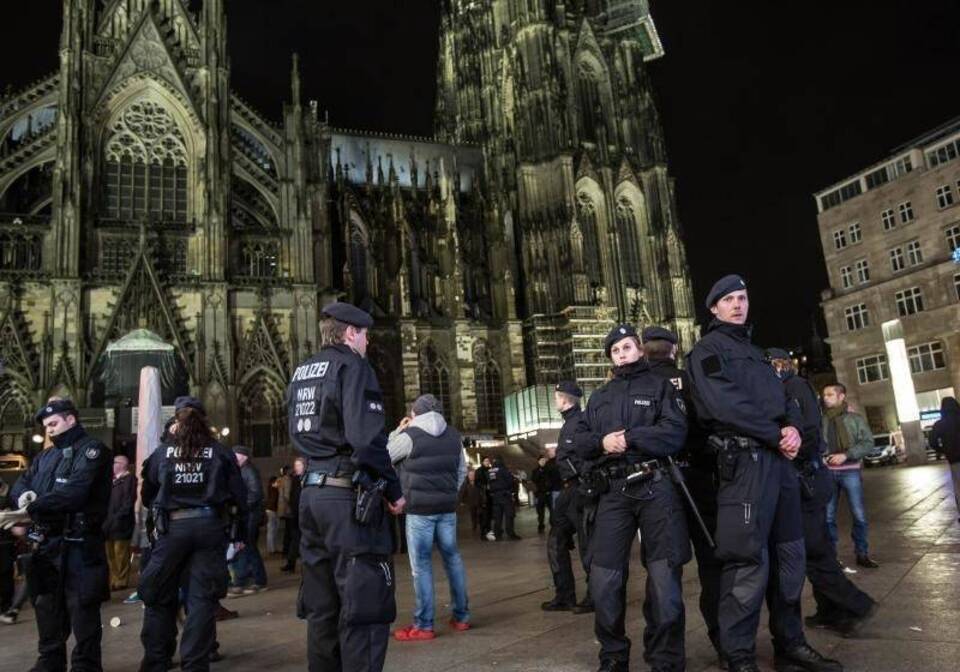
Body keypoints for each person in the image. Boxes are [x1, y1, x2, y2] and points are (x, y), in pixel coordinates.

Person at [686, 274, 841, 672]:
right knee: (746, 566)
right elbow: (724, 405)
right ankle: (738, 656)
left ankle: (790, 644)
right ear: (714, 308)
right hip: (745, 468)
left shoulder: (756, 353)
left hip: (779, 466)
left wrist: (790, 427)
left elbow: (782, 398)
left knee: (790, 558)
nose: (738, 304)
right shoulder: (707, 350)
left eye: (743, 297)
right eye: (729, 299)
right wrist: (774, 432)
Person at [287, 301, 405, 672]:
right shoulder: (353, 366)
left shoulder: (303, 370)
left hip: (311, 495)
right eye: (366, 334)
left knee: (322, 607)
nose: (368, 342)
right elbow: (366, 440)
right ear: (351, 332)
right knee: (364, 603)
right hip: (345, 497)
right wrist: (392, 490)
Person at [573, 323, 690, 672]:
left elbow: (674, 432)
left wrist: (629, 437)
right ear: (611, 357)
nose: (622, 354)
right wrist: (601, 443)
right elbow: (577, 440)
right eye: (615, 350)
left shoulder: (660, 387)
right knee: (605, 579)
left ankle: (665, 658)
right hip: (613, 490)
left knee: (664, 580)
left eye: (626, 347)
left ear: (639, 349)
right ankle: (613, 656)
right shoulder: (600, 396)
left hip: (656, 486)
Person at [767, 349, 876, 636]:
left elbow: (810, 434)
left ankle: (858, 604)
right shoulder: (789, 388)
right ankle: (830, 610)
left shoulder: (794, 387)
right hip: (809, 479)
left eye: (773, 365)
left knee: (814, 551)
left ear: (782, 366)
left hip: (809, 481)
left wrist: (790, 449)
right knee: (818, 549)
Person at [138, 396, 246, 672]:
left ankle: (156, 660)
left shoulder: (163, 453)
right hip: (210, 528)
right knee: (201, 600)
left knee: (158, 594)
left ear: (176, 421)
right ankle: (196, 664)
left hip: (172, 529)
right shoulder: (220, 452)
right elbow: (239, 495)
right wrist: (239, 533)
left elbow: (148, 494)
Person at [2, 399, 111, 672]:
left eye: (54, 423)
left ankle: (86, 665)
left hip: (80, 542)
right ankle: (50, 660)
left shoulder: (92, 451)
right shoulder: (45, 457)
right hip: (48, 543)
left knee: (83, 609)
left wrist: (32, 508)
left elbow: (75, 492)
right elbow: (22, 484)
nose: (49, 430)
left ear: (71, 420)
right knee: (46, 607)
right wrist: (22, 497)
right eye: (46, 426)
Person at [642, 325, 724, 661]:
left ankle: (663, 651)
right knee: (712, 564)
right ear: (674, 350)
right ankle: (725, 645)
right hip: (700, 478)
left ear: (644, 352)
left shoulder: (639, 387)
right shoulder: (692, 381)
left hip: (657, 485)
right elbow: (714, 421)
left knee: (662, 569)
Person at [387, 394, 470, 641]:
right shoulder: (454, 436)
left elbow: (383, 457)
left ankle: (424, 625)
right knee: (453, 560)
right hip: (446, 508)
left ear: (415, 414)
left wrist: (397, 431)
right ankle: (462, 617)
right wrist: (447, 493)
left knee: (421, 566)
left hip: (419, 511)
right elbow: (462, 470)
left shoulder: (410, 436)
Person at [542, 381, 593, 614]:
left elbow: (588, 454)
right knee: (555, 541)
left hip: (580, 490)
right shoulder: (569, 423)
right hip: (567, 491)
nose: (555, 401)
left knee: (587, 545)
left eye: (556, 397)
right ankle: (564, 595)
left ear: (564, 399)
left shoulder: (580, 422)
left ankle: (594, 596)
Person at [821, 383, 879, 569]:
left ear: (841, 397)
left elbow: (868, 443)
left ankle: (862, 554)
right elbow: (816, 443)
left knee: (859, 515)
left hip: (850, 471)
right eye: (824, 395)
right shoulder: (821, 420)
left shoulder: (855, 419)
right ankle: (832, 557)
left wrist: (846, 455)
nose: (826, 398)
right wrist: (820, 457)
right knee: (828, 517)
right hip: (828, 473)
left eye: (830, 394)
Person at [228, 445, 267, 595]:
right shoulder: (243, 470)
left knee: (247, 547)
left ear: (243, 456)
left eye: (235, 455)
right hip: (247, 515)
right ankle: (254, 580)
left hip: (250, 515)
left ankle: (250, 581)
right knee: (248, 547)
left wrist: (241, 506)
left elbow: (255, 493)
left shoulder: (249, 471)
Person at [104, 454, 138, 592]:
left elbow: (128, 501)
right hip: (108, 522)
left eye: (115, 462)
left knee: (121, 552)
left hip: (121, 522)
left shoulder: (129, 479)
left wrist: (119, 516)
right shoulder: (112, 481)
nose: (112, 465)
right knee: (109, 553)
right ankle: (113, 578)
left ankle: (121, 579)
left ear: (122, 464)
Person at [930, 397, 960, 521]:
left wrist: (943, 450)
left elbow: (932, 441)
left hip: (954, 459)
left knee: (958, 487)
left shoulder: (941, 424)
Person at [280, 457, 305, 573]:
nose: (297, 468)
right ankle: (291, 564)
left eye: (299, 465)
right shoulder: (294, 480)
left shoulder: (305, 479)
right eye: (296, 465)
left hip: (304, 514)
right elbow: (291, 497)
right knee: (294, 540)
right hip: (295, 515)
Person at [487, 457, 519, 541]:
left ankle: (497, 534)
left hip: (495, 497)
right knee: (509, 515)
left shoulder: (490, 471)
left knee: (497, 517)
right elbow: (510, 481)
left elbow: (490, 483)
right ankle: (510, 534)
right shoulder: (504, 470)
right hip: (505, 496)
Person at [531, 452, 561, 532]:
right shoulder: (536, 470)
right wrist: (540, 469)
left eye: (544, 460)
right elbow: (535, 479)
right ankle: (541, 525)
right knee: (540, 512)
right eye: (541, 460)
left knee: (552, 510)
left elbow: (554, 478)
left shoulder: (550, 469)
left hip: (549, 493)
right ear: (538, 461)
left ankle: (553, 525)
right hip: (540, 493)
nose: (543, 461)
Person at [459, 468, 484, 535]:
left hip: (479, 502)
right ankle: (474, 527)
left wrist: (483, 500)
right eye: (470, 475)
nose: (472, 476)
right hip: (471, 503)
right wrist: (462, 501)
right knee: (473, 515)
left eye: (473, 475)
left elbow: (482, 492)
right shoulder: (465, 484)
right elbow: (462, 493)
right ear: (468, 475)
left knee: (480, 515)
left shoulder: (478, 483)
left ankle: (481, 527)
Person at [475, 457, 493, 540]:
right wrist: (485, 487)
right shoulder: (479, 471)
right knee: (484, 516)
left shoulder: (491, 469)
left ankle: (489, 533)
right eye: (486, 461)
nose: (487, 462)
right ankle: (483, 534)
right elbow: (477, 483)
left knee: (489, 516)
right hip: (483, 497)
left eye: (488, 461)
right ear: (482, 462)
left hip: (490, 496)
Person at [266, 476, 280, 555]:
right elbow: (274, 500)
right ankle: (272, 549)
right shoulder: (273, 489)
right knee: (272, 530)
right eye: (277, 481)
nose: (278, 483)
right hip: (272, 510)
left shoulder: (271, 488)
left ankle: (272, 548)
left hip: (271, 510)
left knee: (272, 530)